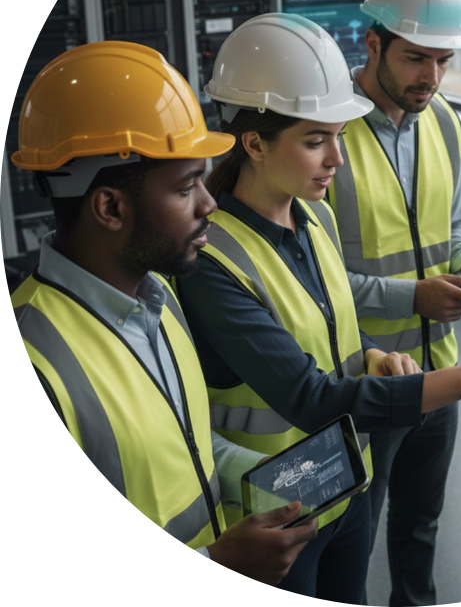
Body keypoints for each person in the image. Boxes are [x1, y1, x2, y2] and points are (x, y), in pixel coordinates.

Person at [175, 13, 461, 602]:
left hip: (344, 480)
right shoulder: (213, 262)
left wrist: (369, 358)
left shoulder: (316, 218)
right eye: (316, 141)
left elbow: (327, 336)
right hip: (274, 511)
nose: (337, 159)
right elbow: (309, 398)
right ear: (255, 143)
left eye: (338, 135)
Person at [11, 41, 318, 582]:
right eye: (185, 187)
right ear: (110, 207)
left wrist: (266, 475)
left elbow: (186, 442)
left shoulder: (159, 295)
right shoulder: (40, 359)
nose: (209, 203)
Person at [325, 0, 461, 606]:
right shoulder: (326, 138)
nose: (431, 77)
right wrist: (415, 296)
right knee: (355, 536)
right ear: (372, 43)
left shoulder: (445, 121)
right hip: (367, 383)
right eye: (416, 58)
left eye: (444, 61)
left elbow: (456, 226)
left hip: (440, 372)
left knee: (420, 529)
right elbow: (314, 286)